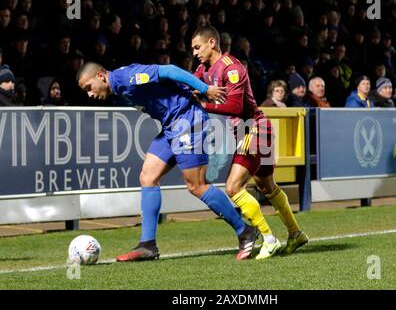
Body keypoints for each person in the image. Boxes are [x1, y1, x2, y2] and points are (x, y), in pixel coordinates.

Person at [76, 62, 259, 262]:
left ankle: (245, 230)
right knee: (148, 177)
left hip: (188, 120)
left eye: (88, 87)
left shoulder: (125, 78)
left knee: (196, 185)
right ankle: (148, 245)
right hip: (172, 126)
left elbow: (169, 70)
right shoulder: (119, 85)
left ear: (101, 76)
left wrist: (206, 89)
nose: (90, 94)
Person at [191, 26, 309, 260]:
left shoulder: (232, 68)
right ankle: (296, 233)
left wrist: (204, 104)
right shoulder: (204, 69)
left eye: (197, 47)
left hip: (253, 130)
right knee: (267, 186)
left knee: (233, 188)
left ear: (212, 43)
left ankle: (268, 238)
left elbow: (235, 107)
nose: (194, 52)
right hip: (249, 131)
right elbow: (189, 84)